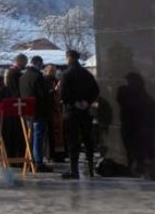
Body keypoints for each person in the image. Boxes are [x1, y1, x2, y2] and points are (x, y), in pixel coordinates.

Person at [59, 50, 100, 179]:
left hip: (72, 112)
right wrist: (87, 102)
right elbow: (96, 90)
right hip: (85, 112)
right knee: (88, 139)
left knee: (73, 141)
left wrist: (74, 102)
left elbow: (63, 94)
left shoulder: (66, 74)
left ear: (69, 58)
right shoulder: (87, 74)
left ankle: (74, 170)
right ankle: (91, 169)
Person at [19, 56, 55, 173]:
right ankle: (38, 162)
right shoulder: (38, 77)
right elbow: (42, 94)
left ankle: (30, 160)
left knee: (30, 136)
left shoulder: (23, 77)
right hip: (39, 111)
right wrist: (51, 92)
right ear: (38, 63)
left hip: (27, 111)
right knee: (38, 138)